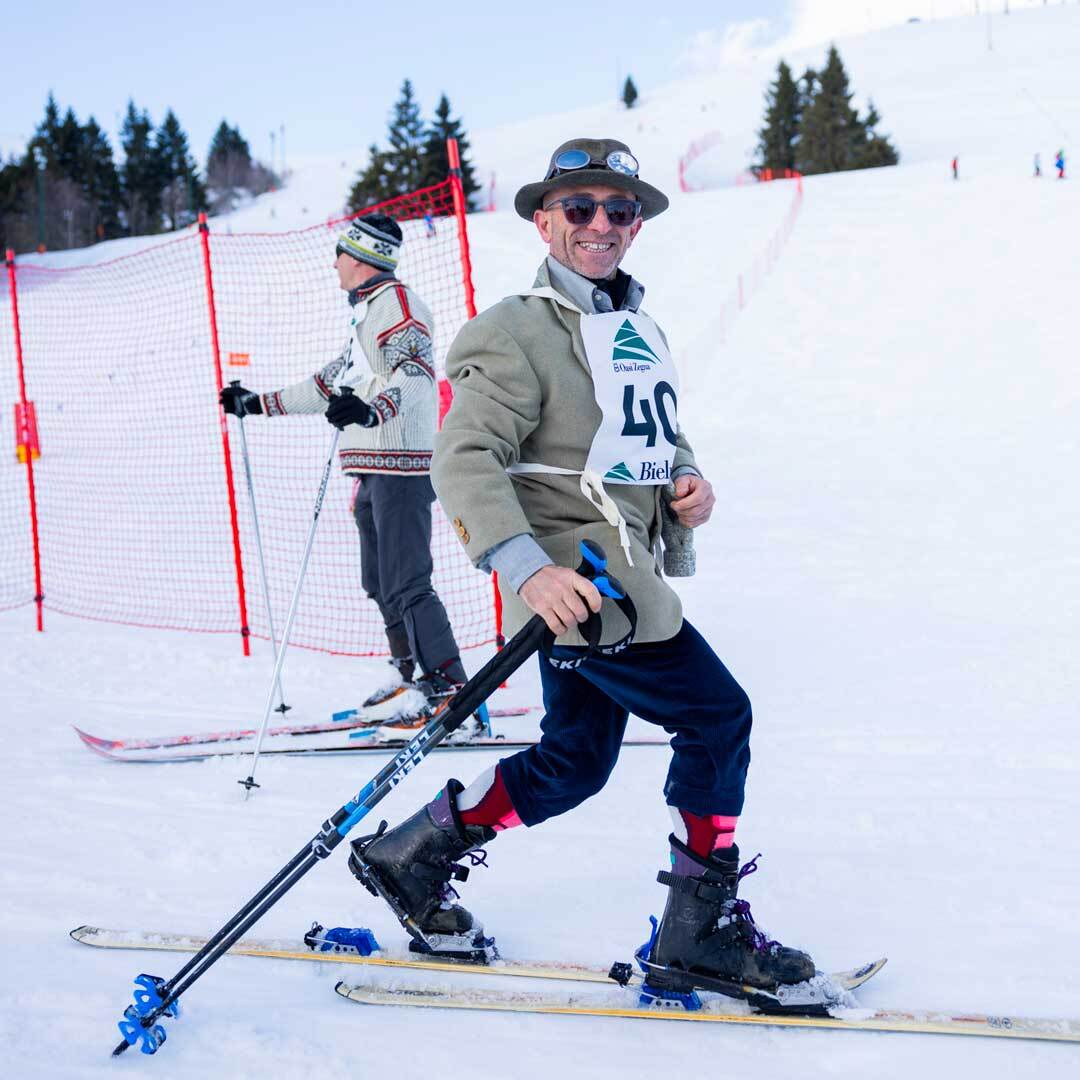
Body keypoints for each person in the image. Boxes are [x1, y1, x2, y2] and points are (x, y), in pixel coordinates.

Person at [347, 139, 816, 998]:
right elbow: (465, 457)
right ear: (544, 220)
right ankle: (698, 935)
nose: (602, 224)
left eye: (620, 209)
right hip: (584, 584)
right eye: (580, 207)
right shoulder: (513, 329)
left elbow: (653, 435)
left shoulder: (637, 327)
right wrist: (526, 570)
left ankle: (410, 856)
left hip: (616, 574)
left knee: (574, 761)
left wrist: (685, 481)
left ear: (636, 224)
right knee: (718, 718)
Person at [219, 214, 472, 730]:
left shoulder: (397, 305)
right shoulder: (366, 312)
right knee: (378, 580)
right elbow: (331, 384)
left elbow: (417, 377)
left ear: (359, 257)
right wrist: (257, 404)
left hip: (401, 467)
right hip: (373, 469)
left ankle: (453, 696)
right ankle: (408, 676)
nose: (333, 262)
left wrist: (371, 411)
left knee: (407, 581)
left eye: (339, 252)